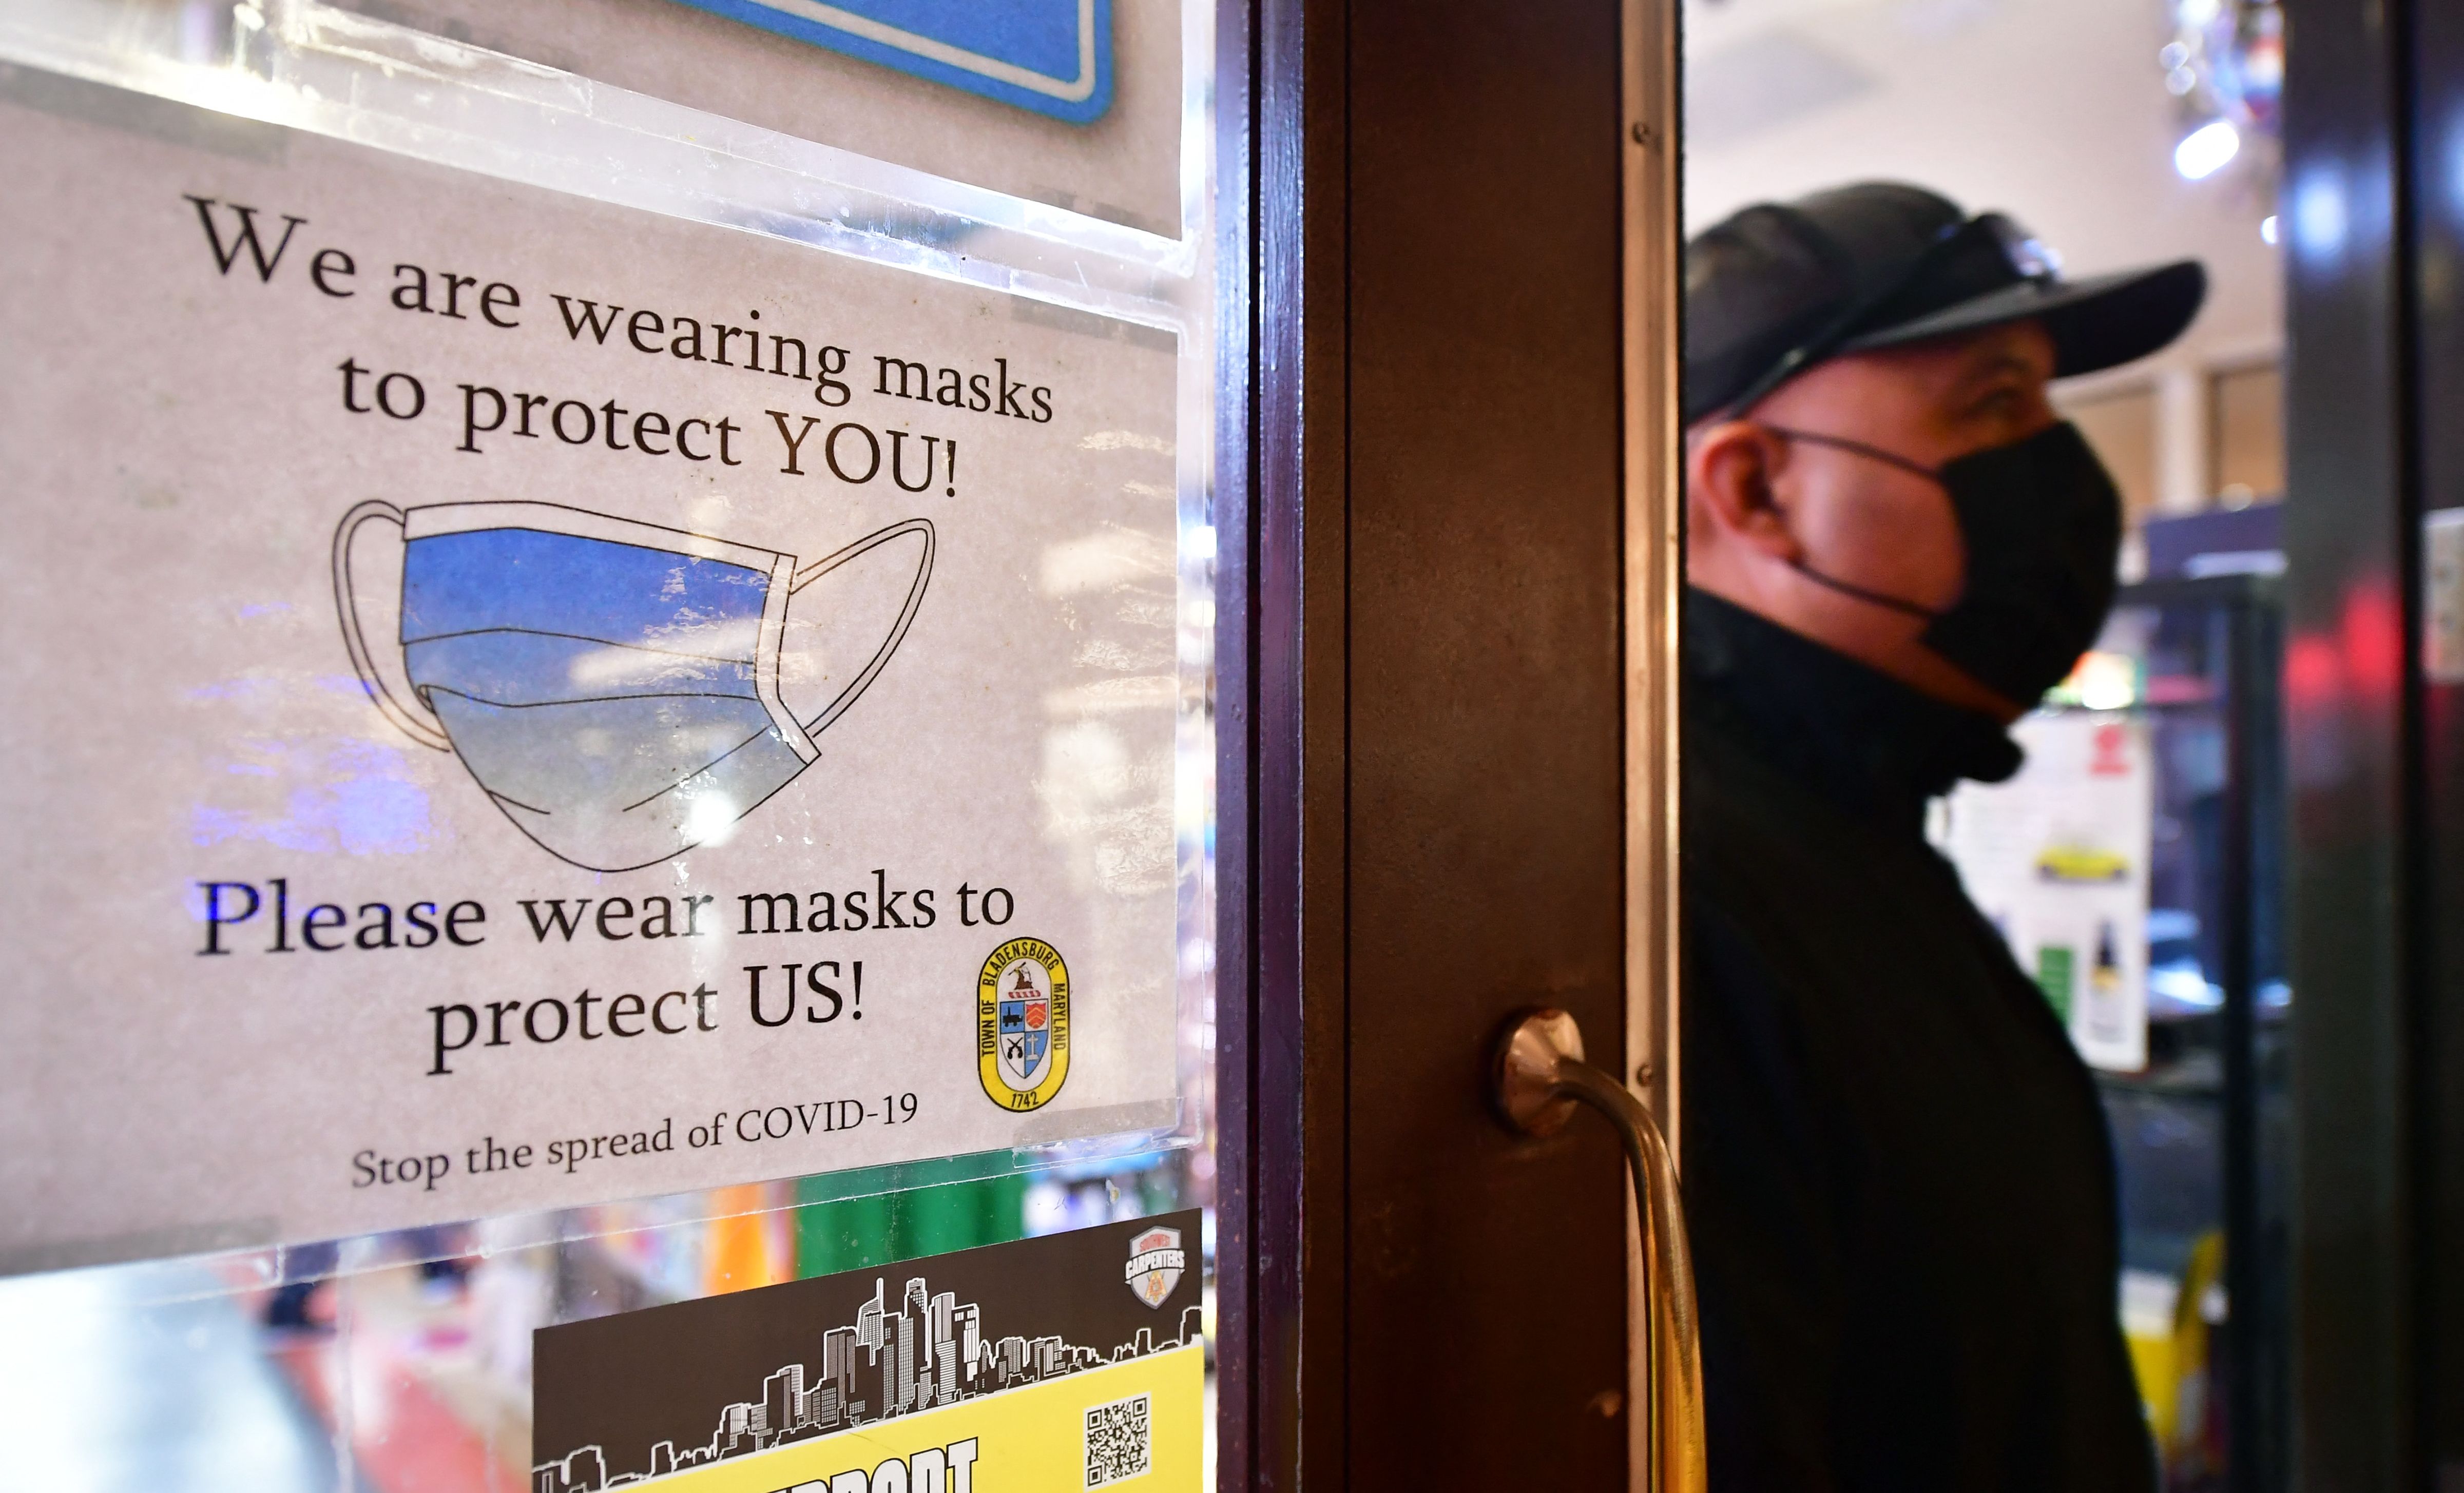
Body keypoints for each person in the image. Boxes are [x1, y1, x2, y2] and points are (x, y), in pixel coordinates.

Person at [1679, 182, 2206, 1491]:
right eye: (1993, 405)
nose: (2064, 470)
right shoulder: (1670, 900)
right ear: (1753, 490)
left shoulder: (1855, 831)